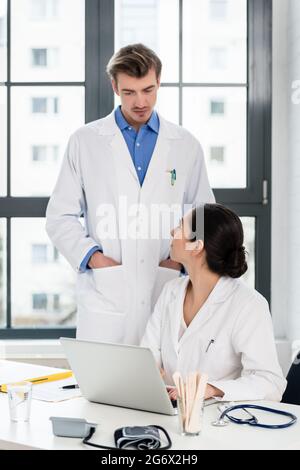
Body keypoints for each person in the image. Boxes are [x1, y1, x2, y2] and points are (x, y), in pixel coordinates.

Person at [45, 43, 215, 345]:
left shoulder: (185, 145)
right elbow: (59, 217)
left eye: (148, 90)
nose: (140, 101)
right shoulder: (85, 142)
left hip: (166, 287)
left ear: (159, 82)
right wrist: (94, 258)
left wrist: (179, 263)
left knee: (164, 387)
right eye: (129, 92)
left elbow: (203, 214)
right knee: (103, 388)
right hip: (106, 296)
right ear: (114, 86)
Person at [141, 204, 287, 402]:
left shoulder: (248, 305)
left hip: (221, 421)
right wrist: (149, 373)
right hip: (169, 414)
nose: (172, 232)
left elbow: (270, 383)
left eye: (179, 227)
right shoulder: (171, 291)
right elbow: (147, 354)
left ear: (197, 246)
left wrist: (211, 389)